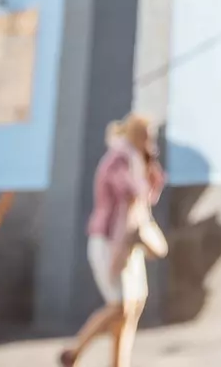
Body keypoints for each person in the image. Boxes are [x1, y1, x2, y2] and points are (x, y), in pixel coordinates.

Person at [60, 114, 164, 367]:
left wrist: (150, 165)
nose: (150, 141)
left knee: (133, 306)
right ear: (138, 135)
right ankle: (75, 350)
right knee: (121, 306)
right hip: (111, 240)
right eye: (147, 136)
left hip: (129, 243)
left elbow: (149, 196)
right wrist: (119, 251)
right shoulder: (119, 160)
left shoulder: (137, 159)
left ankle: (118, 364)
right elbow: (130, 196)